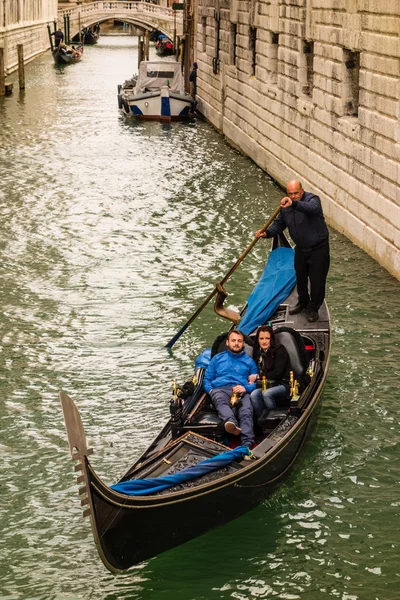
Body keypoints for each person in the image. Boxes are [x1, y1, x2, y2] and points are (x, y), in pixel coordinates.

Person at [256, 180, 330, 322]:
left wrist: (293, 203)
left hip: (318, 249)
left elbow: (311, 208)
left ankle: (314, 308)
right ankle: (303, 302)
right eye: (290, 194)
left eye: (296, 193)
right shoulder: (286, 207)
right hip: (301, 248)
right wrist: (267, 233)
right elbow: (279, 224)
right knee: (300, 277)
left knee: (317, 281)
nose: (294, 196)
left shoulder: (313, 200)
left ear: (302, 191)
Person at [203, 329, 258, 450]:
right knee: (220, 401)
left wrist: (246, 388)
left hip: (240, 390)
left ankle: (247, 444)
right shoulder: (217, 359)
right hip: (220, 389)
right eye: (233, 340)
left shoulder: (250, 362)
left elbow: (255, 383)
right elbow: (207, 379)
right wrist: (211, 391)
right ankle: (232, 424)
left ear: (243, 343)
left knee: (246, 411)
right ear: (227, 343)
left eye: (239, 341)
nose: (236, 343)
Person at [249, 325, 291, 419]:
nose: (264, 341)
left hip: (284, 384)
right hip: (267, 384)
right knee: (254, 395)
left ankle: (274, 420)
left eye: (267, 338)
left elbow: (277, 373)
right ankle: (262, 421)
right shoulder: (257, 352)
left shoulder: (280, 350)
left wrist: (257, 376)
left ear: (271, 339)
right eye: (261, 338)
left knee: (267, 394)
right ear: (258, 340)